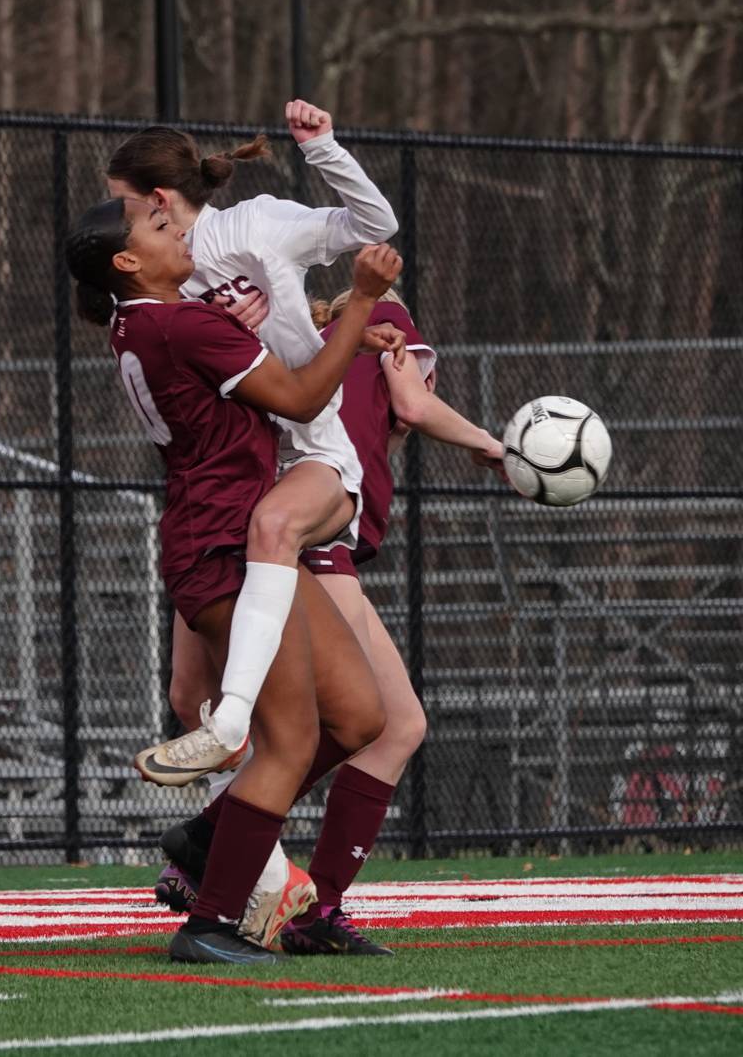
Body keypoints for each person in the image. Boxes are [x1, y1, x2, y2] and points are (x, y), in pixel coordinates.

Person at [65, 193, 403, 965]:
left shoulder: (148, 322)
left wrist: (323, 326)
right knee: (290, 741)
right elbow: (303, 397)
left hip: (229, 535)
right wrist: (362, 301)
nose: (178, 228)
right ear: (127, 262)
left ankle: (211, 832)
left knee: (359, 716)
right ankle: (210, 921)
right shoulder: (180, 324)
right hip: (223, 548)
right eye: (156, 227)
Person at [155, 290, 507, 956]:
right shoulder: (388, 321)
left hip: (233, 529)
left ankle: (221, 859)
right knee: (388, 722)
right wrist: (497, 448)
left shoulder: (296, 340)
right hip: (306, 540)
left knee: (246, 714)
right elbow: (412, 401)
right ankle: (278, 892)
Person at [106, 100, 400, 776]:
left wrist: (323, 149)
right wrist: (325, 325)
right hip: (230, 481)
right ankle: (234, 858)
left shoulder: (254, 225)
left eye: (118, 202)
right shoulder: (155, 290)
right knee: (187, 695)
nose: (113, 216)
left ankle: (234, 732)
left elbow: (375, 226)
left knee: (351, 715)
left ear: (155, 200)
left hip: (307, 458)